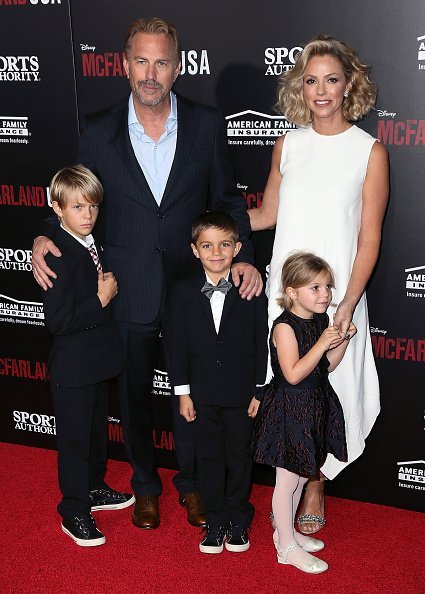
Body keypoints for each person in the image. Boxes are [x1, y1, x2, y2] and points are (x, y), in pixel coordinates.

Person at [32, 17, 262, 530]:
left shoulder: (206, 123)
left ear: (177, 67)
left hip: (195, 291)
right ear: (123, 65)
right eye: (141, 60)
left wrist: (242, 254)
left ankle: (195, 486)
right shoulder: (97, 128)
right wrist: (45, 231)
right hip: (126, 288)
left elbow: (227, 200)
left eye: (161, 61)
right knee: (133, 400)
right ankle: (145, 488)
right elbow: (74, 197)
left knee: (195, 395)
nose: (151, 73)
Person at [249, 35, 389, 534]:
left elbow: (369, 239)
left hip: (337, 298)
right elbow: (266, 214)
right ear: (299, 88)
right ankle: (288, 478)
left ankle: (315, 483)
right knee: (291, 387)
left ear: (349, 83)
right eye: (311, 81)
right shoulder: (288, 143)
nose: (321, 91)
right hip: (287, 293)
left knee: (331, 387)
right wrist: (209, 222)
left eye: (331, 79)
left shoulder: (368, 151)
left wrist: (347, 305)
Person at [42, 165, 134, 547]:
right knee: (76, 441)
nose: (87, 215)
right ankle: (74, 511)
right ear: (57, 208)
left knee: (96, 433)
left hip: (99, 361)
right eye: (78, 208)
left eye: (93, 207)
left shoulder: (90, 241)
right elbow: (58, 321)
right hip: (73, 366)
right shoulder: (57, 254)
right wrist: (101, 299)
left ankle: (94, 489)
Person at [166, 211, 268, 553]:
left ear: (237, 247)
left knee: (239, 457)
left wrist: (259, 388)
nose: (216, 252)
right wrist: (183, 393)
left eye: (225, 244)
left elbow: (261, 343)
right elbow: (176, 346)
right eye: (207, 245)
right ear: (195, 250)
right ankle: (215, 520)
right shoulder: (181, 291)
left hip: (241, 395)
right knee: (207, 458)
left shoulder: (251, 290)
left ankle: (239, 519)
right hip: (202, 394)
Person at [253, 252, 356, 573]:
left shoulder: (320, 322)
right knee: (286, 482)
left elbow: (324, 367)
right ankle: (285, 546)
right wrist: (322, 343)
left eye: (327, 286)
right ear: (292, 291)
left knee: (299, 477)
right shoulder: (284, 327)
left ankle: (289, 533)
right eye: (315, 287)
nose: (325, 294)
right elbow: (293, 374)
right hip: (289, 409)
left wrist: (341, 342)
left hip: (313, 405)